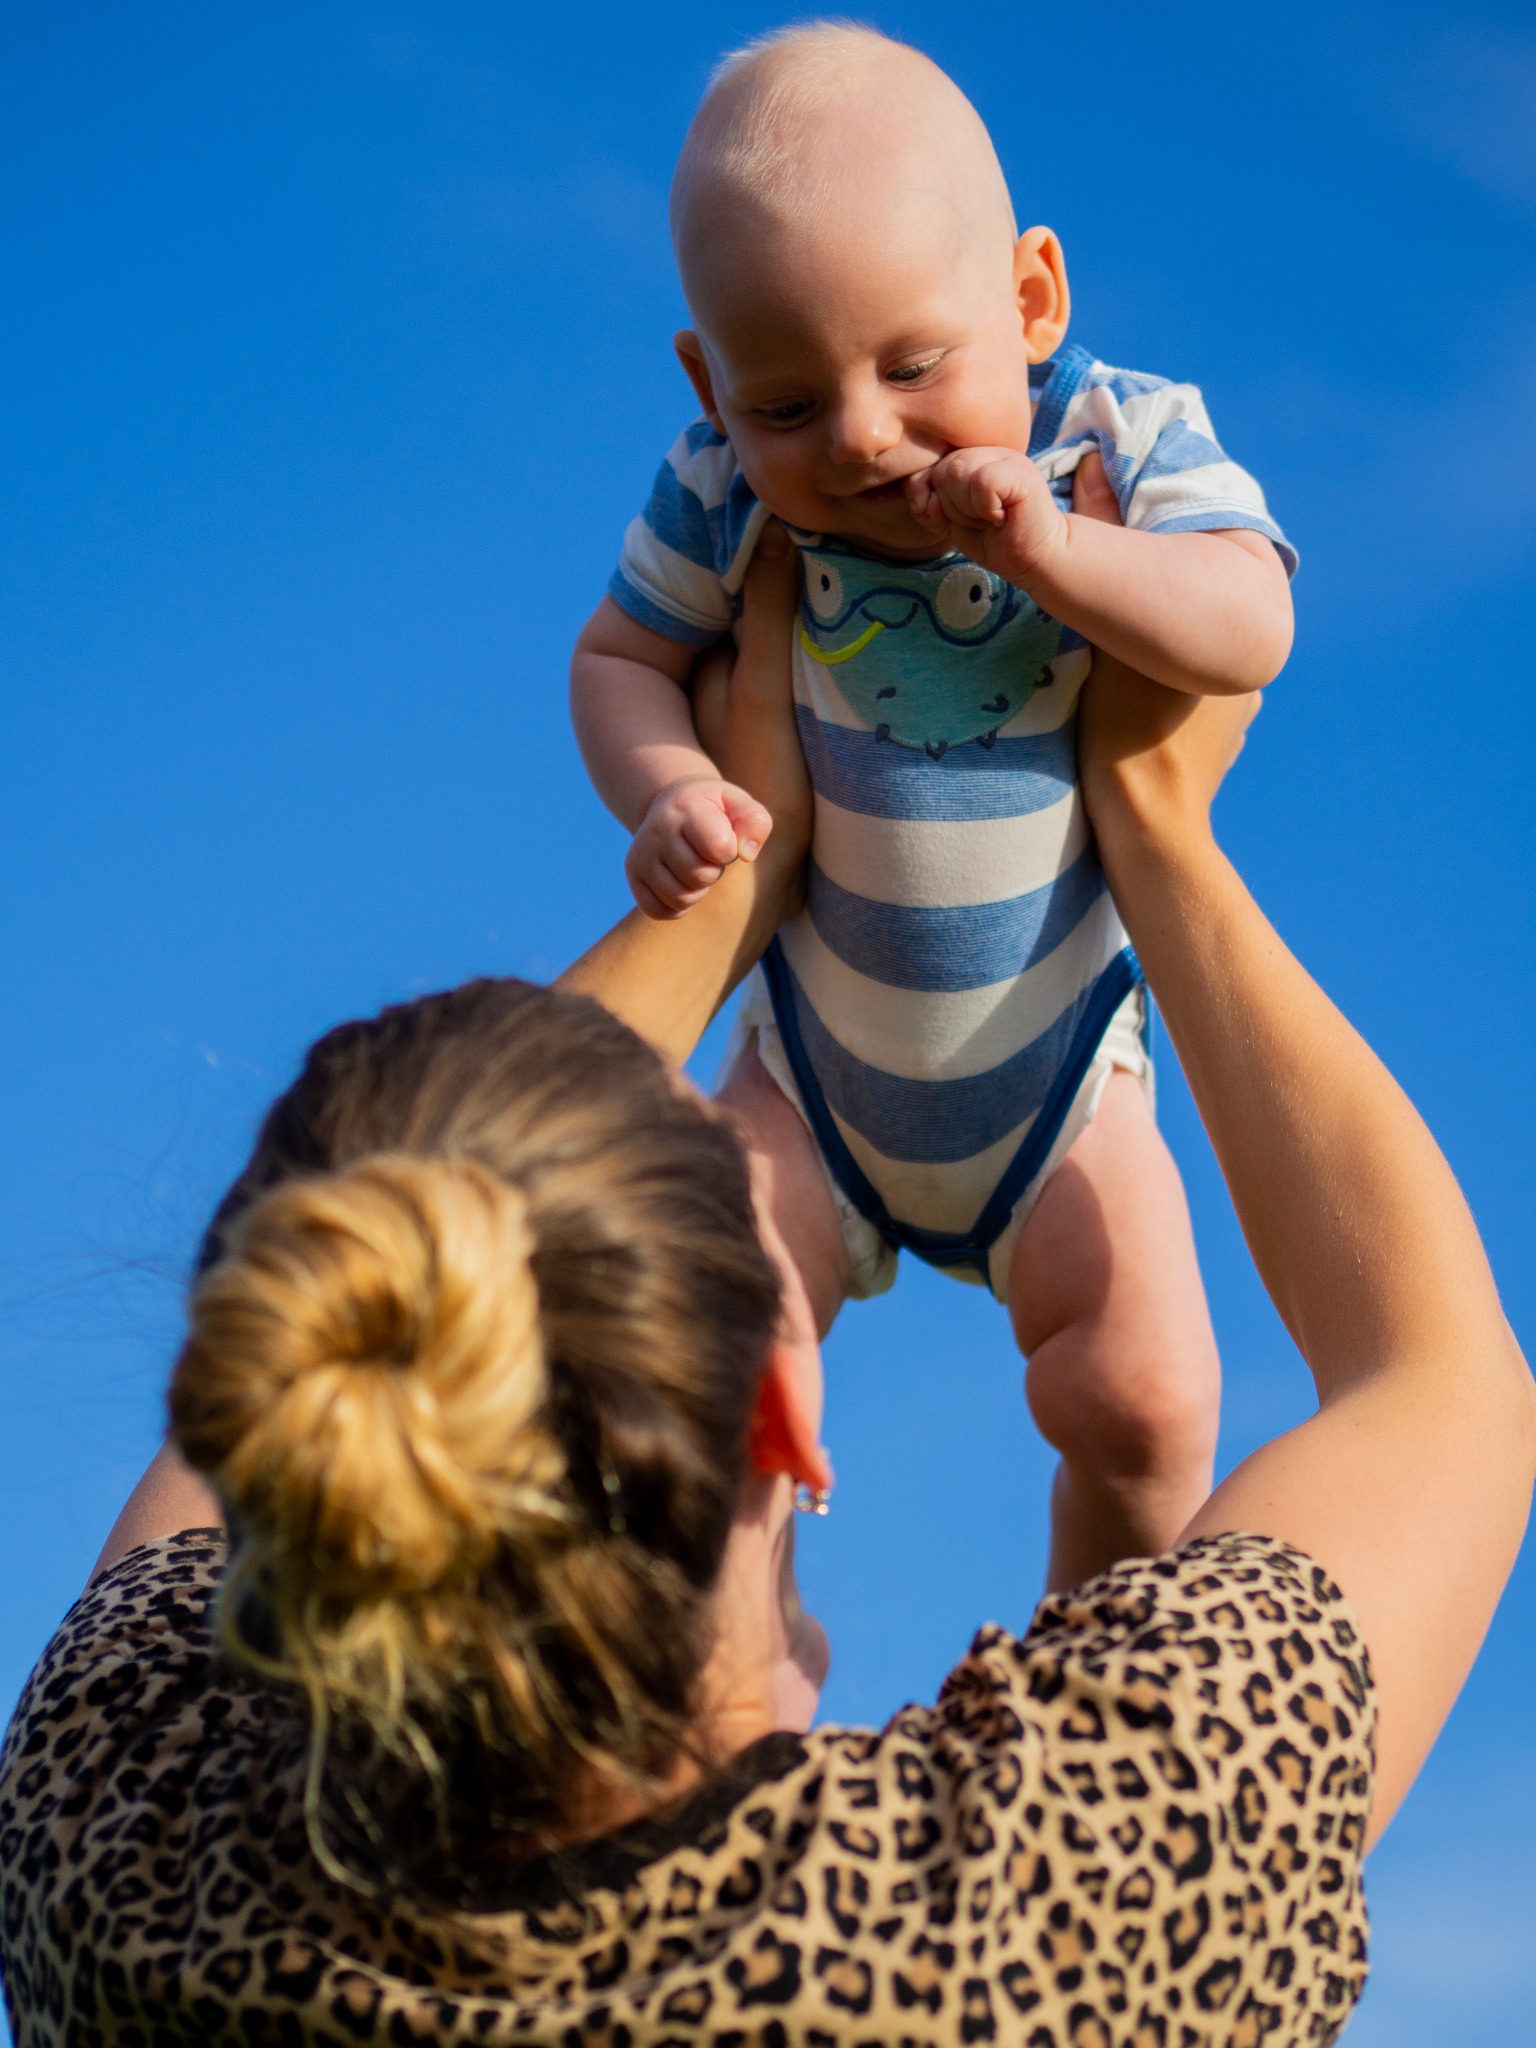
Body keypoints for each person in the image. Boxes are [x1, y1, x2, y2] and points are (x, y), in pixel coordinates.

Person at [1, 541, 1530, 2048]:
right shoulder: (1036, 1930)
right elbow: (1444, 1389)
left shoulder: (120, 1845)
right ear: (780, 1413)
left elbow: (345, 1290)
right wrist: (1155, 821)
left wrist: (750, 867)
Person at [570, 23, 1298, 1590]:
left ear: (1031, 301)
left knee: (1152, 1402)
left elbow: (1250, 623)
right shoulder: (715, 485)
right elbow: (617, 657)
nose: (858, 435)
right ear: (707, 381)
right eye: (784, 400)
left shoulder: (1112, 437)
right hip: (804, 1081)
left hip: (1056, 1086)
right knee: (694, 1386)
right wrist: (671, 786)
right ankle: (718, 1693)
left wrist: (1058, 555)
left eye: (914, 366)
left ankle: (1083, 1685)